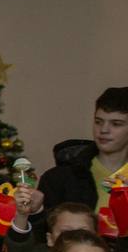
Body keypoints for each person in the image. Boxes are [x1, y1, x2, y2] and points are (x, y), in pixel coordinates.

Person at [37, 86, 128, 215]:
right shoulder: (58, 179)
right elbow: (41, 231)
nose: (104, 130)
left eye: (116, 124)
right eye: (98, 122)